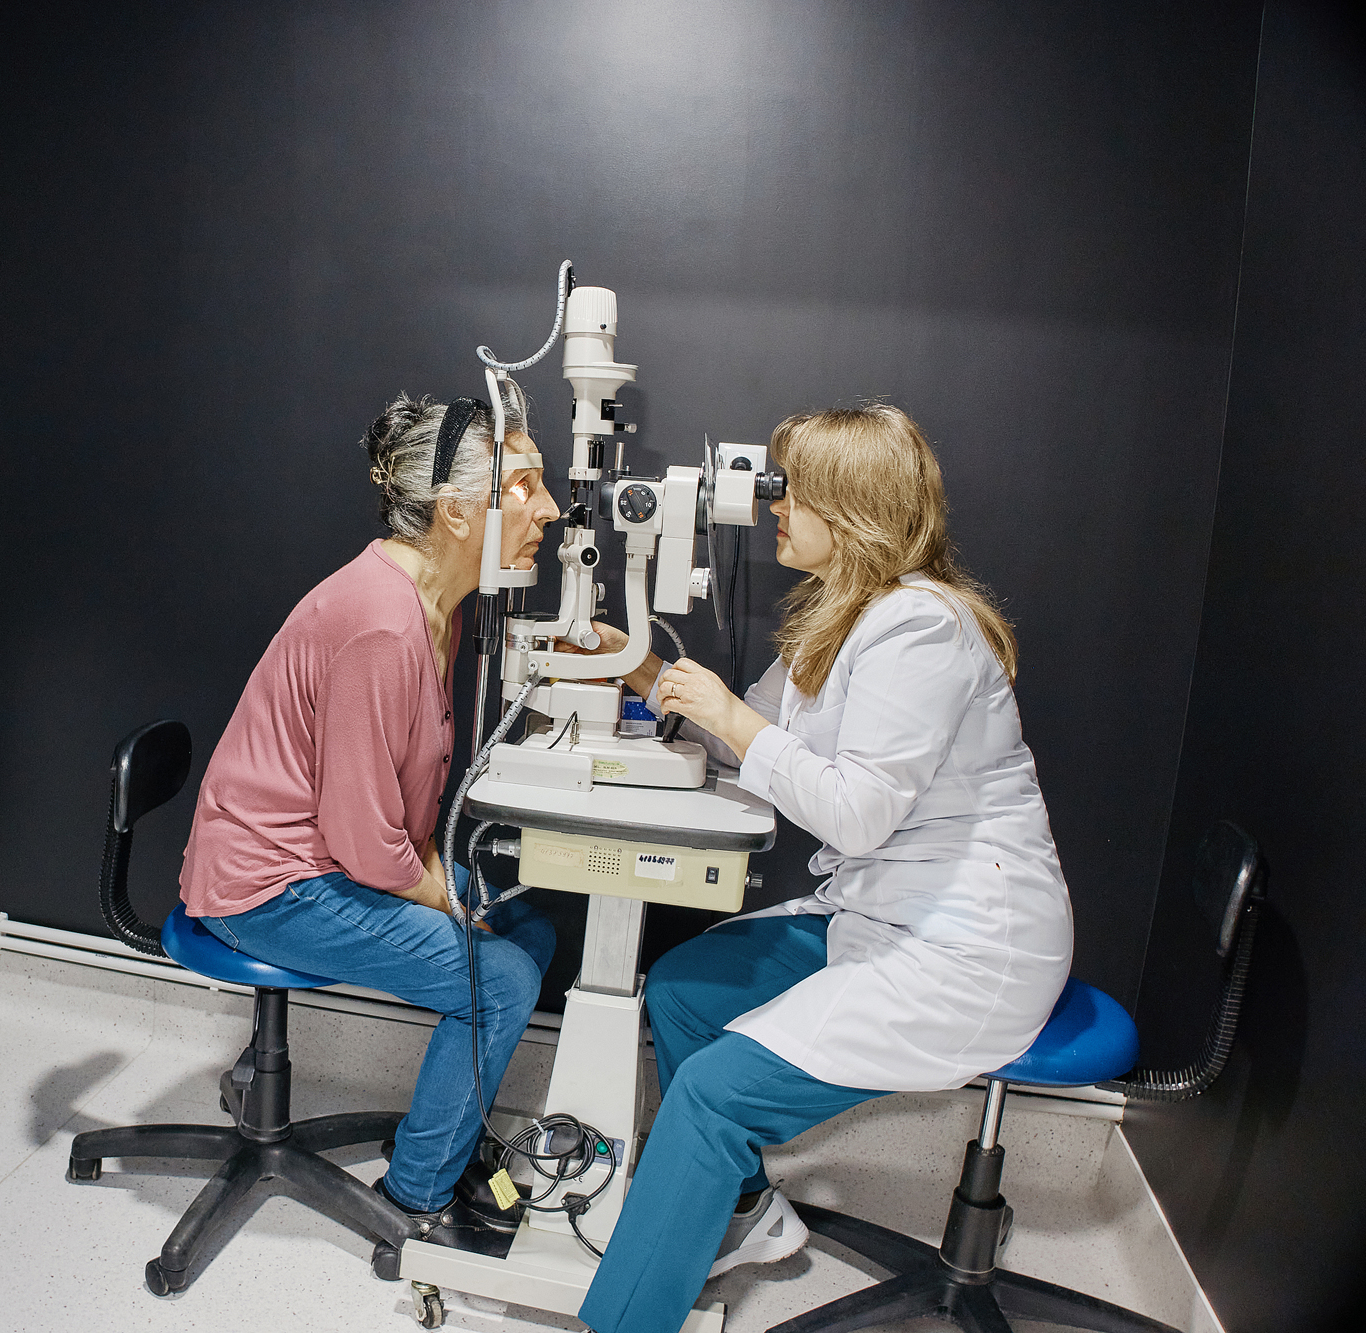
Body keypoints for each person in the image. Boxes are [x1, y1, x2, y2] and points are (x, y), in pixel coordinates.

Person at [570, 404, 1075, 1333]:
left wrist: (731, 715)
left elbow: (855, 810)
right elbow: (750, 747)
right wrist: (636, 667)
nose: (774, 503)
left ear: (852, 508)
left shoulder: (920, 627)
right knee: (683, 990)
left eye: (792, 489)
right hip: (885, 913)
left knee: (712, 1096)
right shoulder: (839, 617)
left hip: (966, 949)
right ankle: (746, 1213)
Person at [180, 382, 561, 1240]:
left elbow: (390, 808)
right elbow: (361, 841)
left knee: (527, 928)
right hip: (270, 884)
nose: (549, 507)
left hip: (338, 856)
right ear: (457, 512)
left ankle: (446, 1135)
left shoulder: (433, 602)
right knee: (500, 979)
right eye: (525, 485)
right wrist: (448, 897)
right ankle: (416, 1195)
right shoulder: (382, 622)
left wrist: (453, 891)